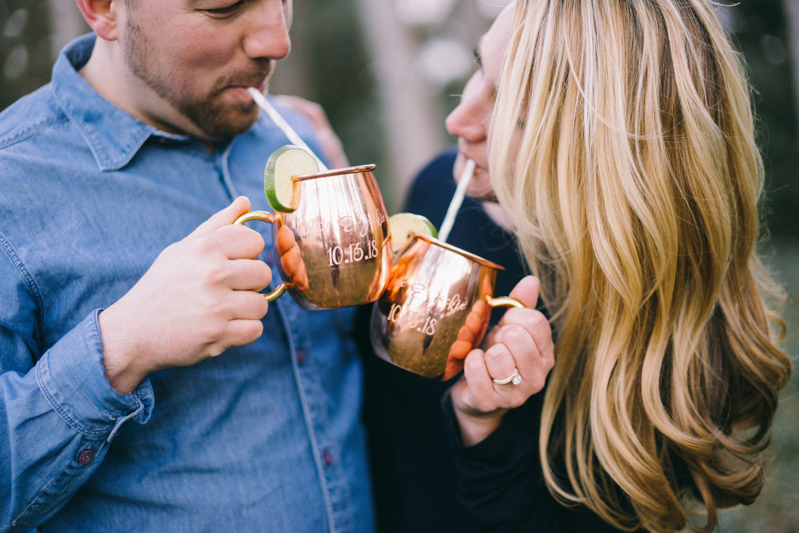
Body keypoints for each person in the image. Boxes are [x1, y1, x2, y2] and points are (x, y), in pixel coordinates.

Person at [361, 1, 792, 532]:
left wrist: (484, 423)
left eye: (512, 107)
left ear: (601, 147)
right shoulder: (435, 190)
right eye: (479, 69)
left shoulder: (662, 356)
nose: (459, 120)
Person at [0, 1, 375, 531]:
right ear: (104, 9)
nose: (277, 41)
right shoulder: (11, 186)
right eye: (224, 7)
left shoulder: (299, 139)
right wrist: (121, 346)